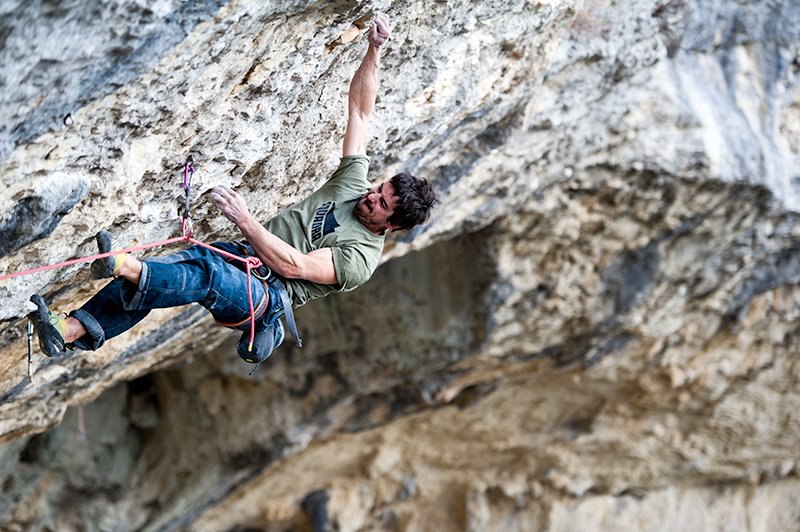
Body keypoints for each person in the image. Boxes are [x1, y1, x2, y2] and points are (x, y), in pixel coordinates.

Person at [27, 13, 437, 369]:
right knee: (185, 266)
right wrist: (374, 50)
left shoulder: (361, 258)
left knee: (207, 275)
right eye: (378, 188)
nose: (370, 197)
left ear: (391, 225)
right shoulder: (354, 185)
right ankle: (68, 330)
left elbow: (295, 266)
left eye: (381, 204)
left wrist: (244, 219)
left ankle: (124, 265)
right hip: (243, 258)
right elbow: (361, 112)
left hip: (267, 297)